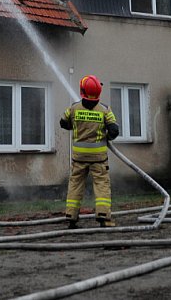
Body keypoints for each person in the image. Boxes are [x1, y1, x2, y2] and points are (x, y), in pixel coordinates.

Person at [59, 75, 119, 228]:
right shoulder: (105, 110)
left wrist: (78, 125)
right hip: (99, 158)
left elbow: (63, 123)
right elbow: (114, 130)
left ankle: (71, 217)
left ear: (82, 91)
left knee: (75, 185)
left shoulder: (73, 108)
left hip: (79, 157)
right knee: (101, 186)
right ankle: (103, 217)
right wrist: (107, 134)